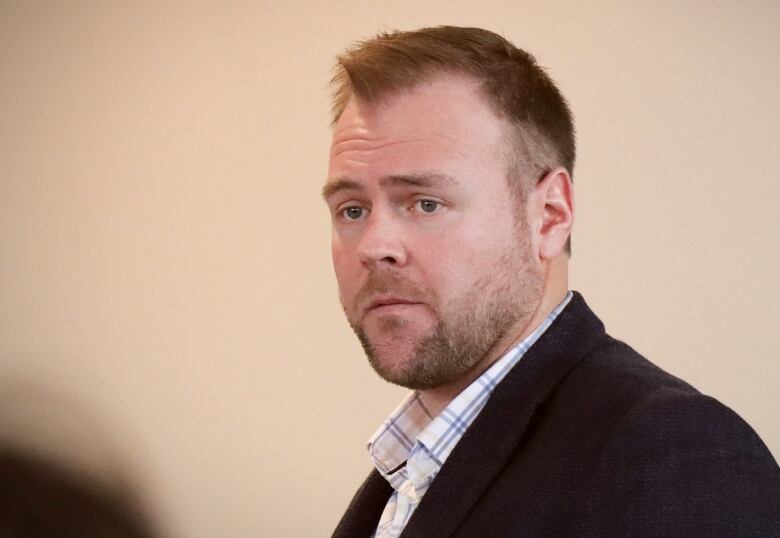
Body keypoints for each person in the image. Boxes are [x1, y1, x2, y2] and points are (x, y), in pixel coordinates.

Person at [322, 26, 779, 537]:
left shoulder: (677, 456)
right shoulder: (412, 464)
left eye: (426, 203)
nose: (373, 246)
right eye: (352, 209)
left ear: (550, 216)